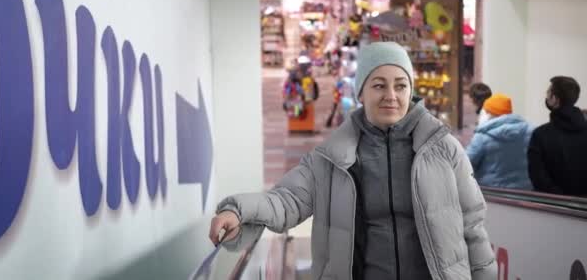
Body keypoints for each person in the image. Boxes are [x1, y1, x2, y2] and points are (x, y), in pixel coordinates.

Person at [210, 42, 497, 279]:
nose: (391, 96)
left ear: (411, 90)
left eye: (400, 86)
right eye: (379, 85)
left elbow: (472, 225)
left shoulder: (442, 148)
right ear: (360, 92)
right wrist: (238, 211)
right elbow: (287, 200)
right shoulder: (332, 157)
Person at [528, 76, 587, 196]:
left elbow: (538, 178)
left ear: (555, 99)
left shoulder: (540, 135)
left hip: (554, 208)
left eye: (548, 93)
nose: (546, 97)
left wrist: (562, 198)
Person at [466, 94, 533, 190]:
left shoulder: (482, 136)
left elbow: (465, 164)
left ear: (488, 113)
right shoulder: (530, 131)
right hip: (525, 193)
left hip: (493, 194)